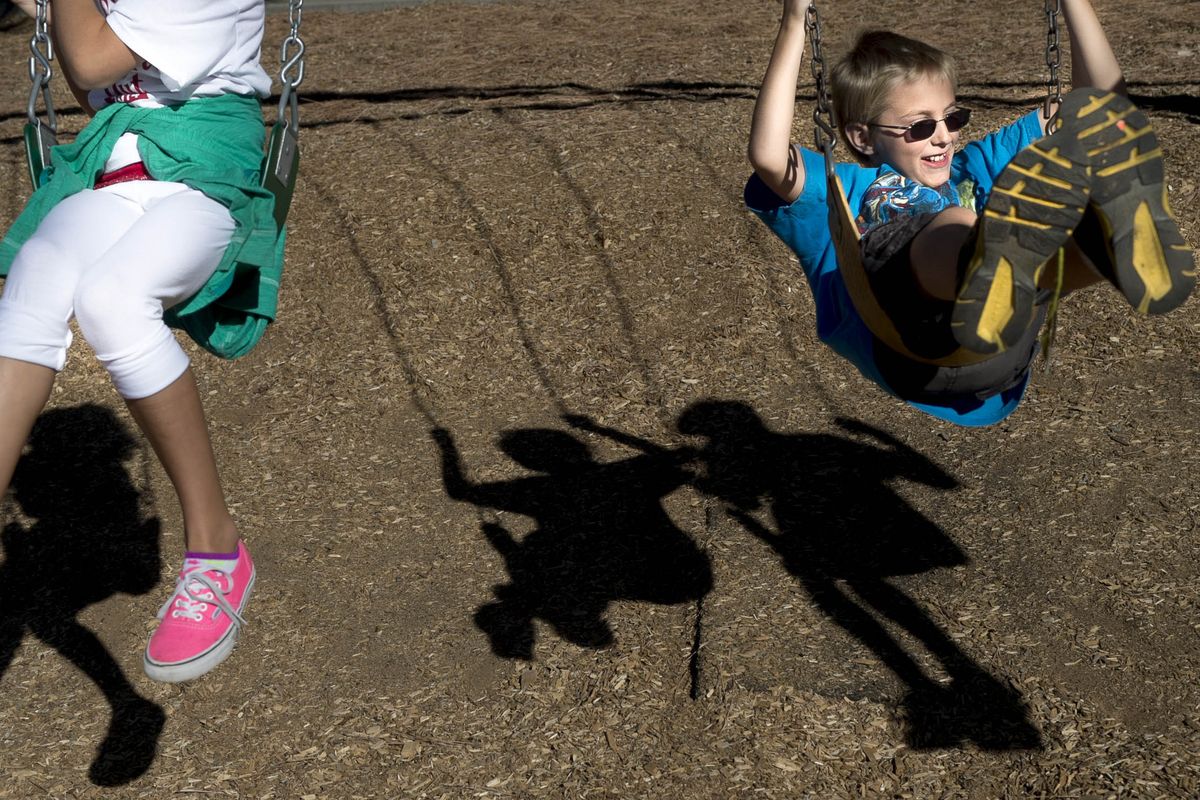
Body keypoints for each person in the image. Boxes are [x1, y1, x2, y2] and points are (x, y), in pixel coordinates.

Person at [0, 0, 284, 681]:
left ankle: (216, 549)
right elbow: (93, 84)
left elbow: (93, 57)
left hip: (203, 176)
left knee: (114, 300)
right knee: (31, 287)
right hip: (119, 167)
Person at [745, 0, 1194, 426]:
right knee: (954, 222)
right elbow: (769, 157)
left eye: (952, 118)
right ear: (863, 138)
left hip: (999, 353)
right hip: (908, 348)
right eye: (920, 126)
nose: (943, 137)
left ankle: (1089, 253)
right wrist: (793, 23)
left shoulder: (973, 170)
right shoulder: (843, 188)